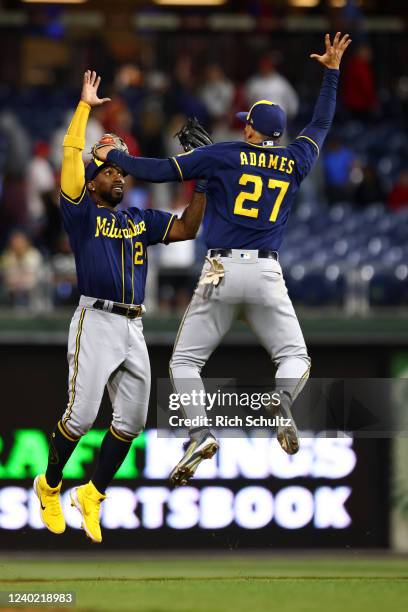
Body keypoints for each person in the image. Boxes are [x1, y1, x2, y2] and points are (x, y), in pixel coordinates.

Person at [94, 33, 351, 486]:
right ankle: (282, 401)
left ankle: (198, 433)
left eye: (245, 123)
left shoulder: (223, 154)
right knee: (296, 358)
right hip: (268, 272)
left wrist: (114, 156)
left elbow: (156, 170)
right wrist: (331, 73)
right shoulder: (295, 160)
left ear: (251, 130)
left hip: (221, 271)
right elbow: (322, 124)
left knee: (184, 364)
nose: (241, 127)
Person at [33, 71, 206, 542]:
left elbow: (188, 228)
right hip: (96, 317)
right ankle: (49, 486)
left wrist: (203, 179)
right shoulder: (82, 212)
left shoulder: (139, 218)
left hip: (133, 325)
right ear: (91, 184)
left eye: (121, 172)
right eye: (108, 171)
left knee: (131, 420)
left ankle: (92, 494)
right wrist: (84, 108)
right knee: (81, 417)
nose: (117, 175)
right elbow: (72, 158)